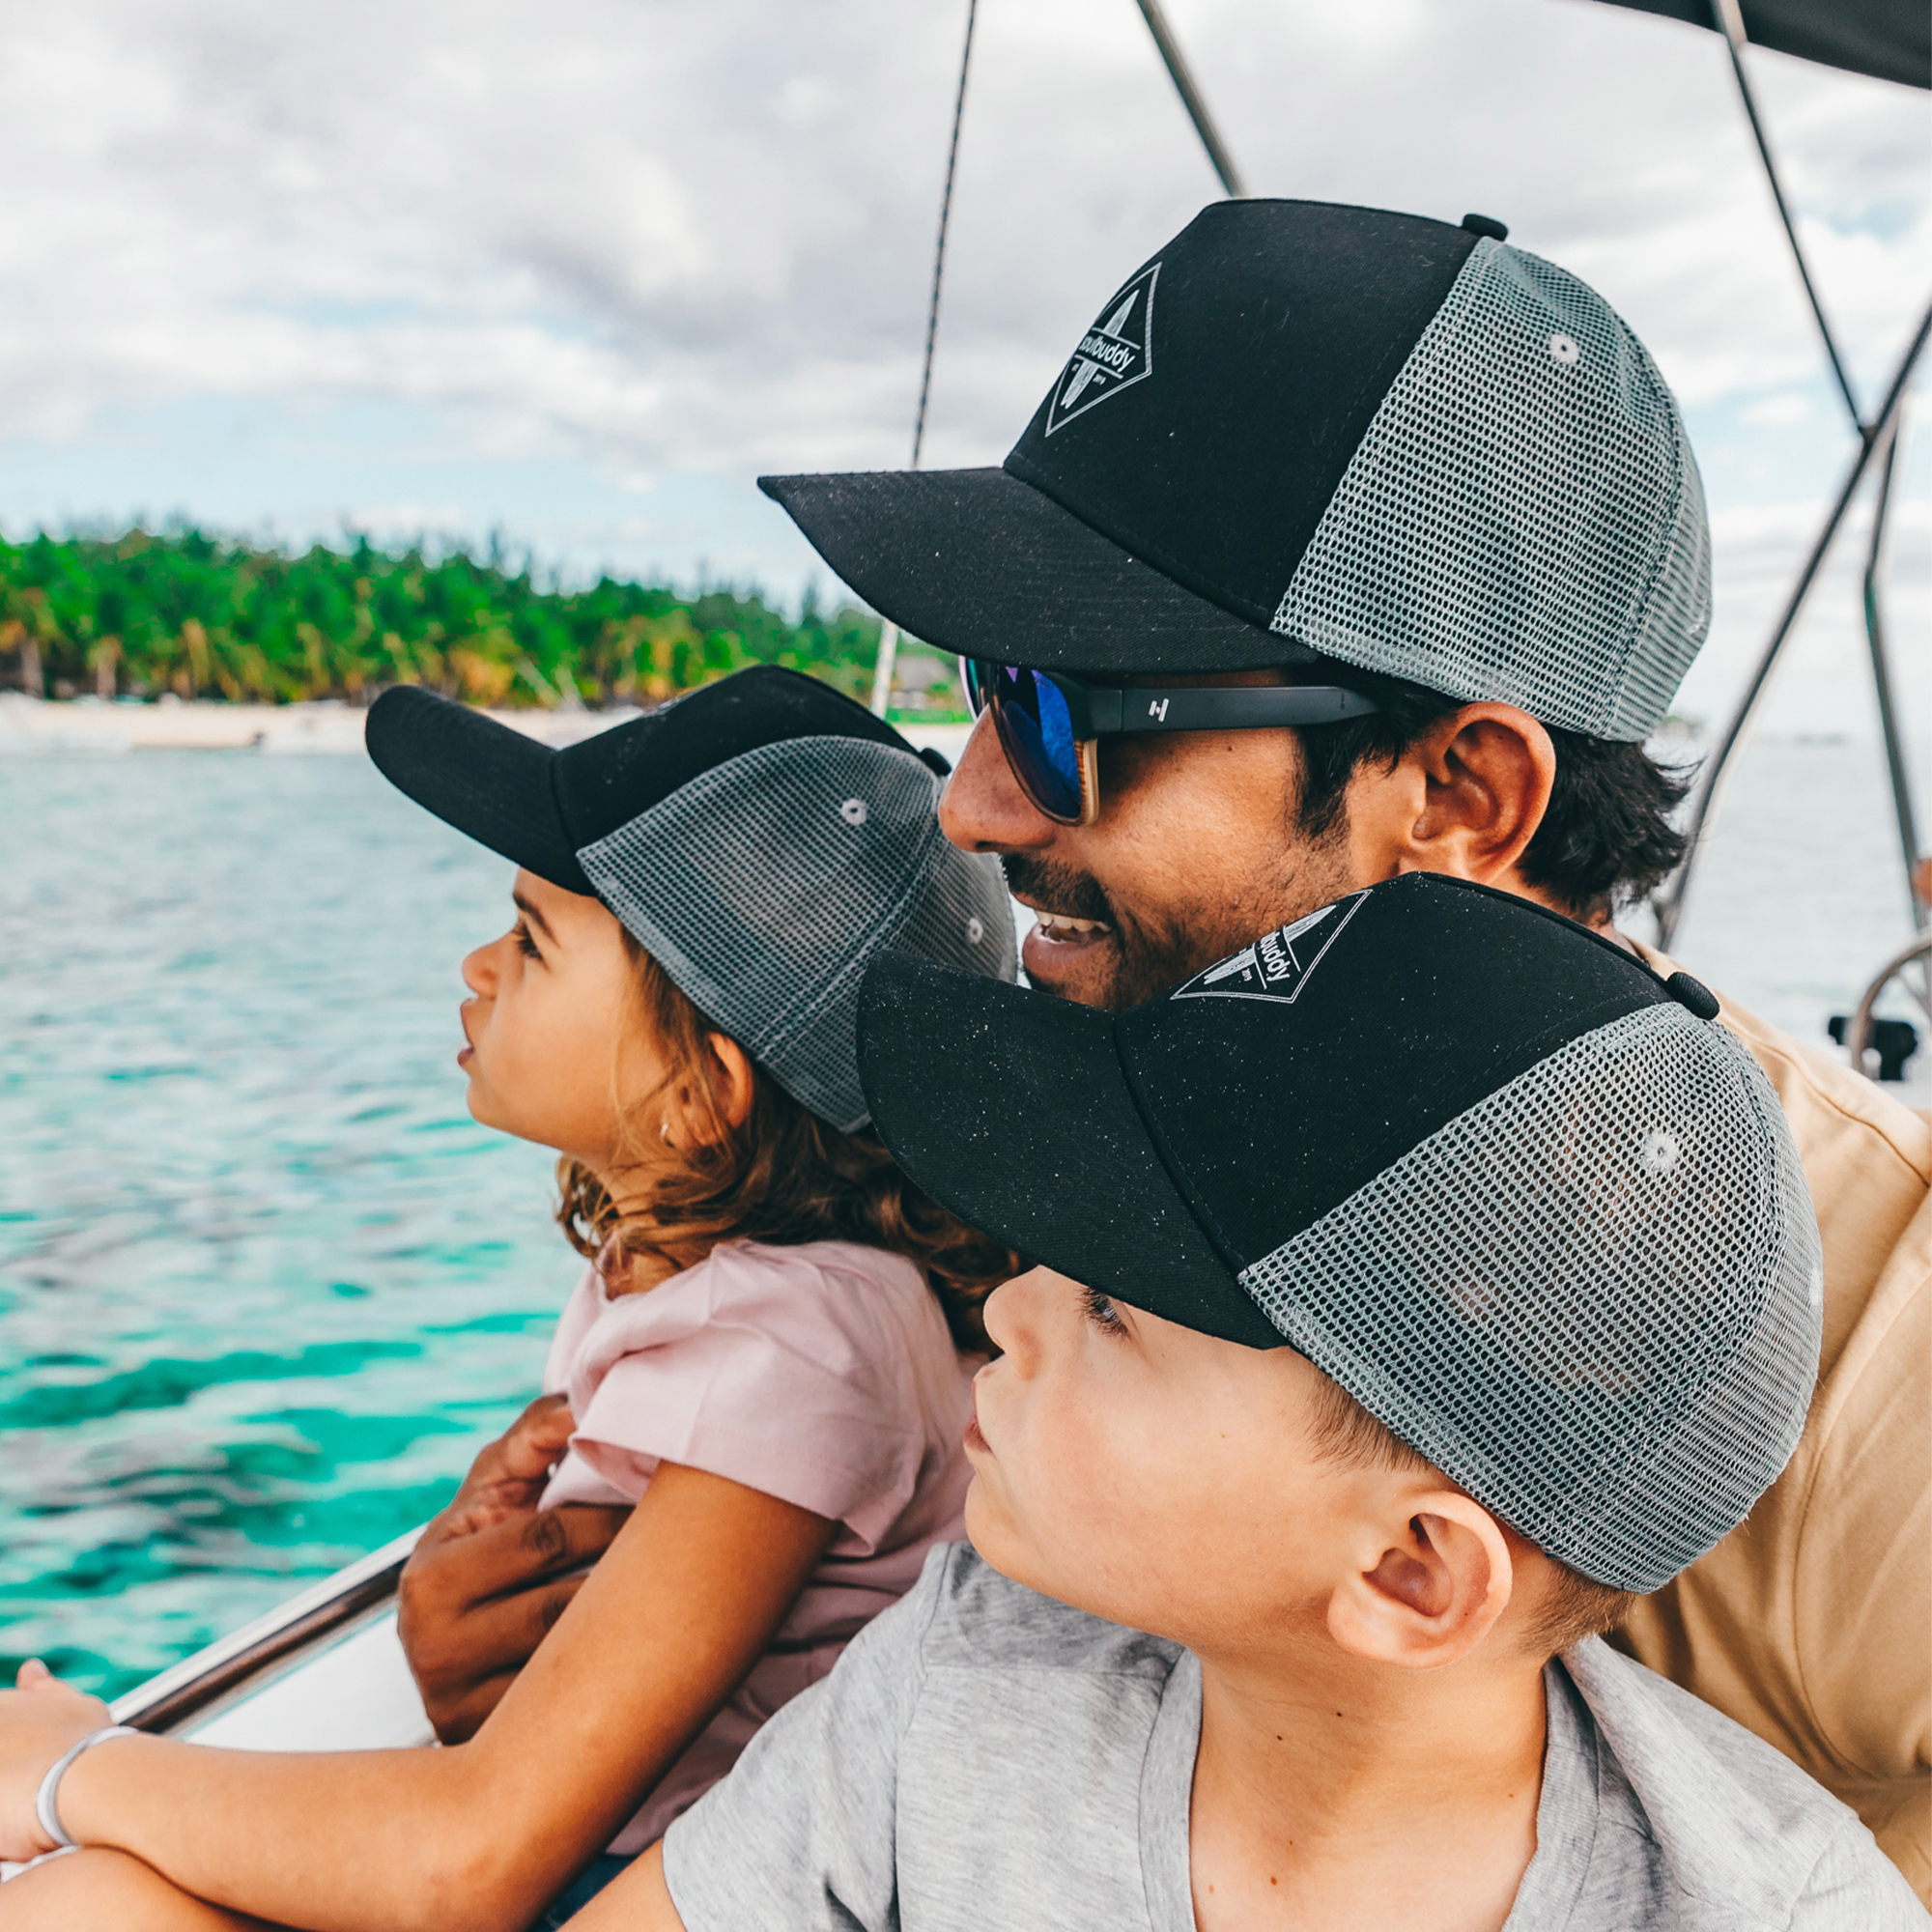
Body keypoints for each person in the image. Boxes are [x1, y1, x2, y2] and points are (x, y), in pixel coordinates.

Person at [753, 196, 1932, 1897]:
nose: (975, 801)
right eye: (980, 683)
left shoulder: (1890, 1355)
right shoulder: (1103, 1087)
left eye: (1066, 710)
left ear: (1461, 793)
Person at [578, 872, 1929, 1930]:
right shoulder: (962, 1668)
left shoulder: (1775, 1909)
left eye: (1112, 1306)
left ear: (1409, 1573)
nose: (1007, 1309)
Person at [0, 665, 1020, 1929]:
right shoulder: (736, 1284)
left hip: (664, 1886)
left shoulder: (798, 1337)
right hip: (642, 1858)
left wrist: (64, 1773)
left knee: (77, 1905)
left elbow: (474, 1863)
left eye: (533, 940)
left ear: (701, 1094)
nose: (478, 967)